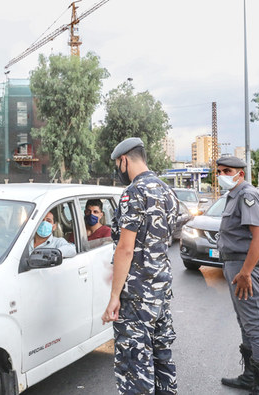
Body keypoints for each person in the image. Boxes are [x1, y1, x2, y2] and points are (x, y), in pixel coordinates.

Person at [101, 137, 179, 395]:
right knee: (161, 357)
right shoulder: (167, 191)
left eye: (117, 164)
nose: (118, 169)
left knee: (134, 366)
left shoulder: (134, 192)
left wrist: (114, 296)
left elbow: (125, 248)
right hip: (160, 291)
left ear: (124, 160)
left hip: (136, 296)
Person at [216, 156, 259, 395]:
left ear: (240, 173)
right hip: (236, 267)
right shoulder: (234, 196)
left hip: (244, 268)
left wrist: (246, 272)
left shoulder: (247, 195)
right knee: (245, 324)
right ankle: (250, 376)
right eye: (219, 171)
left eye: (227, 171)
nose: (222, 175)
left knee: (255, 326)